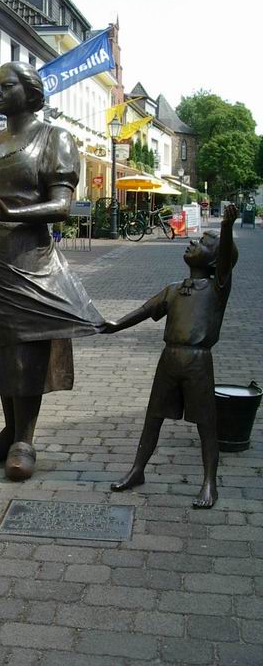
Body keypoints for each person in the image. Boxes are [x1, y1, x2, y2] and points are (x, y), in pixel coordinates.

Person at [0, 62, 104, 481]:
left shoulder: (54, 139)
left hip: (28, 262)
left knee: (26, 349)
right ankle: (9, 431)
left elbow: (62, 206)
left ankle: (24, 440)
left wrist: (13, 212)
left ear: (30, 92)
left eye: (5, 86)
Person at [105, 204, 239, 508]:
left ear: (215, 260)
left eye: (203, 243)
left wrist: (227, 228)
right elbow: (143, 311)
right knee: (153, 417)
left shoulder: (217, 289)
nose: (193, 242)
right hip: (169, 359)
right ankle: (137, 469)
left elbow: (226, 263)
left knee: (206, 423)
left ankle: (209, 482)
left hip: (197, 362)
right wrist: (115, 325)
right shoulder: (173, 289)